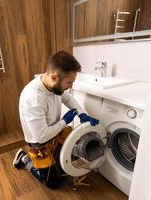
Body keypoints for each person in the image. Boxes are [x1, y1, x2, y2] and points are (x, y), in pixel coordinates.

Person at [13, 50, 99, 189]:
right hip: (39, 142)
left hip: (54, 132)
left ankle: (54, 155)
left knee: (66, 161)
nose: (71, 86)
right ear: (54, 77)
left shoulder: (55, 86)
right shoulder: (33, 98)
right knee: (53, 183)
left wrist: (82, 114)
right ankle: (24, 158)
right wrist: (65, 121)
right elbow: (41, 137)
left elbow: (68, 98)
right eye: (69, 82)